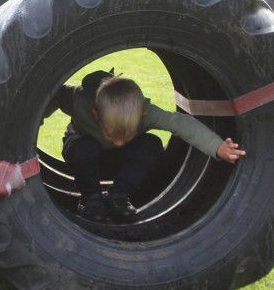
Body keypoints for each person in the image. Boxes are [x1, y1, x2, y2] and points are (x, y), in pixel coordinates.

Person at [51, 71, 244, 223]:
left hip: (120, 163)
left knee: (150, 143)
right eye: (112, 134)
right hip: (86, 161)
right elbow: (49, 94)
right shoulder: (78, 100)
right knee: (80, 146)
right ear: (96, 114)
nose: (118, 141)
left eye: (126, 135)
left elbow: (181, 124)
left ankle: (118, 195)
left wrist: (217, 147)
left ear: (142, 114)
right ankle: (91, 199)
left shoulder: (147, 113)